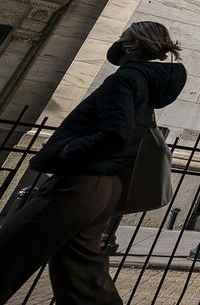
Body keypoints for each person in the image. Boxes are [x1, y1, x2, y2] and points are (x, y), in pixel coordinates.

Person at [0, 21, 186, 304]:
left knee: (10, 250)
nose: (119, 40)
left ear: (132, 44)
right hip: (107, 188)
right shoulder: (145, 83)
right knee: (83, 277)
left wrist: (67, 150)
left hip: (81, 184)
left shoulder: (124, 79)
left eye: (123, 37)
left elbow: (115, 134)